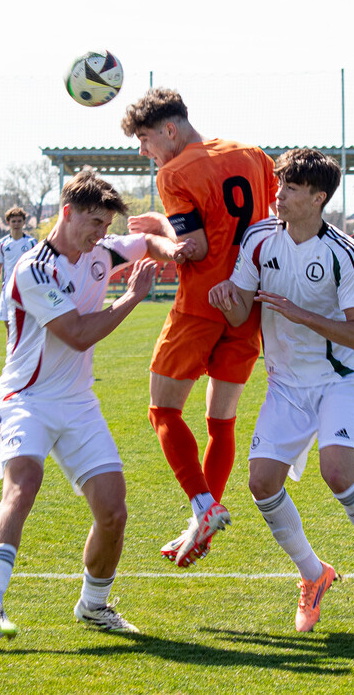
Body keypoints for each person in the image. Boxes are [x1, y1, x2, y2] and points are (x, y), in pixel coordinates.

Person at [0, 168, 194, 638]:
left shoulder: (101, 251)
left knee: (114, 510)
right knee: (23, 484)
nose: (102, 235)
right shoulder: (33, 269)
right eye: (94, 223)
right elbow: (75, 334)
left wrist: (172, 248)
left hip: (77, 403)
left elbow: (147, 242)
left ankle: (94, 606)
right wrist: (132, 298)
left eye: (107, 226)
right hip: (26, 399)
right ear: (67, 213)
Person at [208, 148, 354, 632]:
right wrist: (227, 301)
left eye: (292, 188)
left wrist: (301, 315)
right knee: (261, 483)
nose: (278, 194)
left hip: (337, 381)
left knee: (337, 472)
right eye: (280, 185)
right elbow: (242, 312)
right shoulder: (259, 239)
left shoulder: (343, 252)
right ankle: (313, 574)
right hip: (284, 384)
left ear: (318, 197)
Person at [120, 87, 277, 567]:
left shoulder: (175, 171)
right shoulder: (252, 155)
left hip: (200, 304)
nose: (143, 151)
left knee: (163, 412)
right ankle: (201, 521)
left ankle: (203, 505)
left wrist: (158, 229)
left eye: (145, 139)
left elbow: (196, 248)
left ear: (170, 129)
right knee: (221, 421)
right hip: (248, 305)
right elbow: (265, 220)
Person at [0, 206, 38, 337]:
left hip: (26, 289)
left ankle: (25, 356)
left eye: (19, 221)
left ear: (24, 223)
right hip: (8, 290)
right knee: (9, 327)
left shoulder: (32, 243)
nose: (16, 224)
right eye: (13, 221)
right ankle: (10, 357)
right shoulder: (2, 244)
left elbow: (38, 267)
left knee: (27, 328)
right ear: (8, 222)